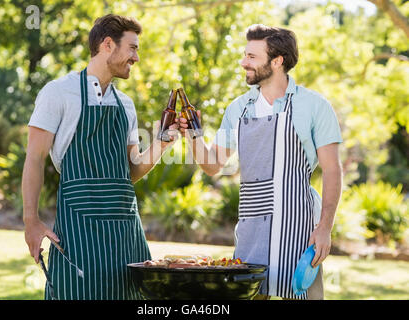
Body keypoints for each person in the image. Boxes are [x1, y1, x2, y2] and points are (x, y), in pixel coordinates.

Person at [178, 24, 343, 300]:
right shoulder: (238, 108)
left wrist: (324, 228)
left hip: (301, 231)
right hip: (252, 230)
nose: (244, 62)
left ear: (277, 61)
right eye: (245, 55)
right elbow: (213, 164)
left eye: (252, 57)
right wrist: (193, 135)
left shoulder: (314, 106)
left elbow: (332, 171)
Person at [22, 14, 178, 300]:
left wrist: (162, 143)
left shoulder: (126, 105)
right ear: (108, 44)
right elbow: (34, 158)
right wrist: (31, 221)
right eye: (132, 48)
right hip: (79, 233)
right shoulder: (58, 93)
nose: (136, 58)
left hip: (126, 234)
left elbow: (130, 171)